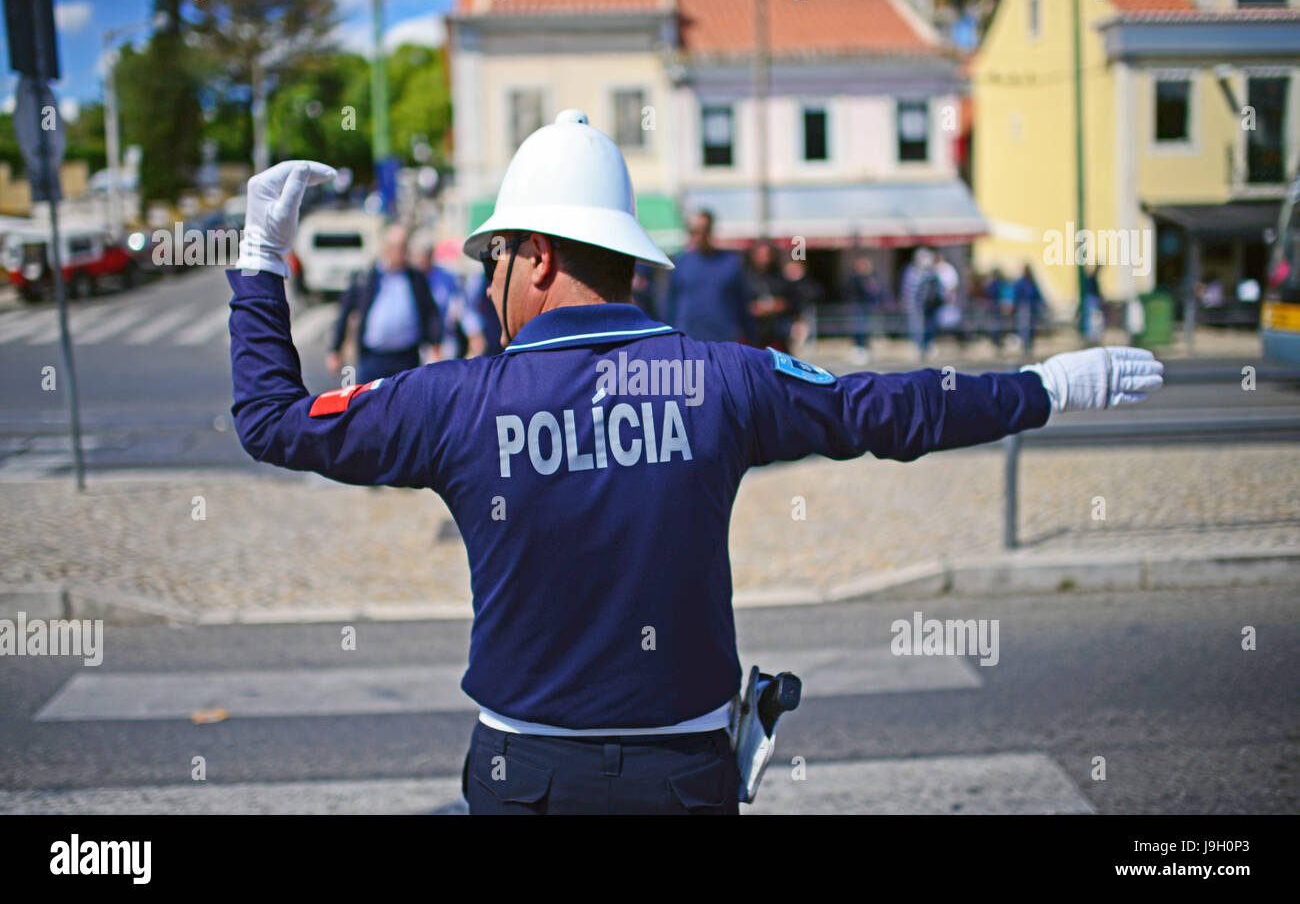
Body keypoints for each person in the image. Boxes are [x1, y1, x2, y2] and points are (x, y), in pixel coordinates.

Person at [224, 112, 1164, 815]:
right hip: (685, 775)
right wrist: (1043, 387)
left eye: (493, 260)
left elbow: (272, 420)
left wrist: (260, 258)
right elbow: (886, 408)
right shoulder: (724, 380)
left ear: (538, 258)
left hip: (527, 775)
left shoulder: (456, 401)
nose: (488, 283)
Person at [327, 224, 443, 382]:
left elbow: (431, 311)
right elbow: (345, 312)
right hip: (374, 357)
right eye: (397, 247)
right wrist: (336, 349)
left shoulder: (415, 278)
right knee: (371, 402)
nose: (401, 252)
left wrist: (435, 344)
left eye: (404, 247)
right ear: (386, 248)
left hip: (407, 356)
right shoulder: (367, 277)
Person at [665, 209, 752, 343]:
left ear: (710, 230)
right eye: (693, 230)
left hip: (723, 342)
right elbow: (670, 305)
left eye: (703, 229)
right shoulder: (680, 263)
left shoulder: (730, 263)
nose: (698, 235)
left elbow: (742, 303)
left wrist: (751, 335)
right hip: (688, 341)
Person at [412, 231, 488, 360]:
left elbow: (461, 308)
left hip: (444, 342)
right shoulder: (409, 279)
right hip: (415, 344)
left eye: (425, 255)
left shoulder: (445, 279)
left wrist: (474, 334)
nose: (420, 260)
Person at [745, 241, 796, 352]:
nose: (765, 259)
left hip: (777, 335)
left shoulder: (780, 279)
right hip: (753, 336)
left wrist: (779, 305)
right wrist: (754, 309)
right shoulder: (745, 279)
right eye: (761, 255)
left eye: (768, 255)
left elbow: (792, 300)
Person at [847, 254, 883, 364]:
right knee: (859, 329)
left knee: (868, 330)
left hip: (869, 308)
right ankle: (859, 351)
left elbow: (877, 292)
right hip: (858, 308)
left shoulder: (872, 277)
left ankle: (866, 350)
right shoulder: (855, 279)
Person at [1013, 263, 1044, 357]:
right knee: (1024, 327)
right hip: (1023, 308)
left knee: (1031, 328)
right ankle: (1025, 345)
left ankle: (1029, 345)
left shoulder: (1032, 282)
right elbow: (1017, 295)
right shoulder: (1021, 283)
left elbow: (1037, 295)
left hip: (1032, 308)